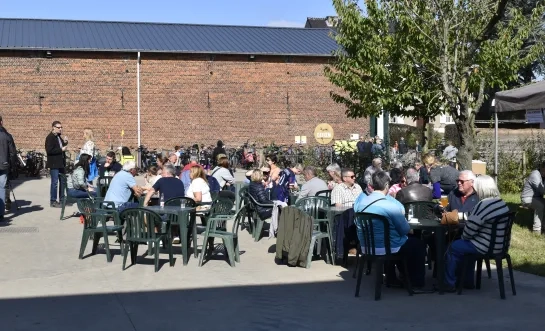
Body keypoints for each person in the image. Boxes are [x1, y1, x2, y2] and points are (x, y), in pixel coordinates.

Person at [354, 171, 426, 288]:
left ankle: (393, 277)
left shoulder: (360, 204)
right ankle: (415, 282)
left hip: (366, 246)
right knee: (417, 244)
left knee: (399, 241)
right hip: (388, 247)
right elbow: (404, 229)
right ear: (387, 186)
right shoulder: (391, 205)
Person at [444, 175, 510, 292]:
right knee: (465, 245)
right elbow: (474, 217)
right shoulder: (501, 203)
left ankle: (449, 283)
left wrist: (463, 236)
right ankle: (467, 281)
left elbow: (470, 230)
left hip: (484, 246)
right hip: (500, 246)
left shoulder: (483, 205)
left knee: (453, 247)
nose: (474, 190)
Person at [45, 120, 68, 208]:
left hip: (61, 163)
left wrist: (65, 142)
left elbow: (61, 146)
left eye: (61, 127)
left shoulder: (58, 137)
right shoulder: (50, 137)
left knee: (62, 181)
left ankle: (62, 200)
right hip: (54, 164)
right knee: (54, 183)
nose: (60, 129)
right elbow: (49, 151)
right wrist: (61, 150)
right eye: (58, 127)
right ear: (53, 128)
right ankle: (53, 201)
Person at [521, 162, 545, 234]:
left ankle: (543, 226)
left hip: (537, 198)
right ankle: (536, 230)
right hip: (527, 199)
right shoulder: (535, 175)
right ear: (542, 168)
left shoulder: (543, 176)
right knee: (540, 206)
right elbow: (542, 190)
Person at [0, 116, 15, 219]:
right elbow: (12, 153)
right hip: (4, 164)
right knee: (1, 188)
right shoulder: (7, 136)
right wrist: (12, 165)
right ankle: (1, 214)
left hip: (4, 164)